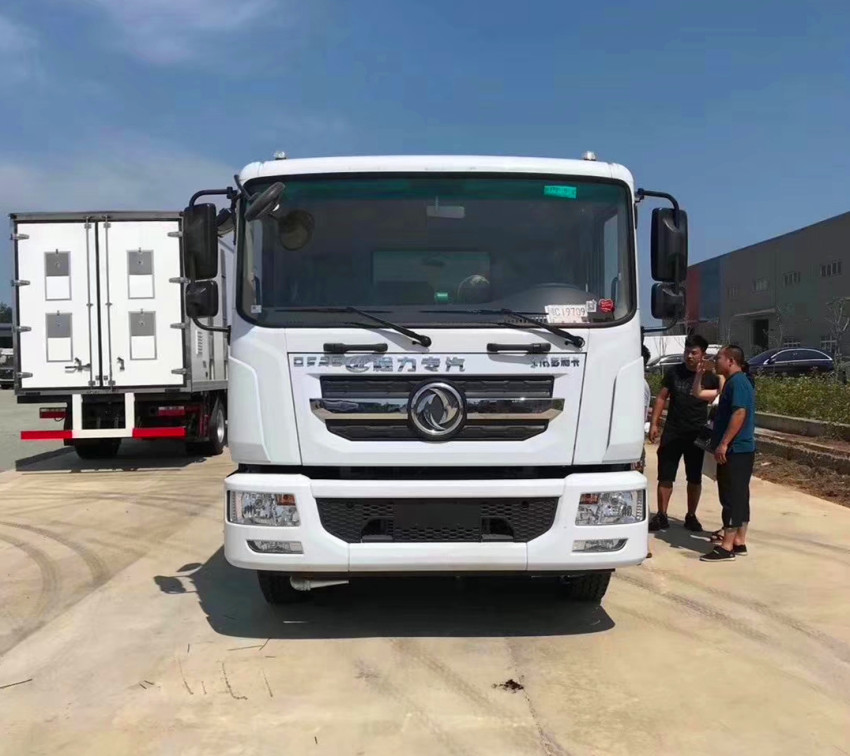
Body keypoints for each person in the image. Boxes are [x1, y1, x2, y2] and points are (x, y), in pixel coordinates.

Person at [648, 335, 721, 532]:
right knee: (665, 475)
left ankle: (691, 515)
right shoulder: (674, 372)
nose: (689, 356)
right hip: (673, 431)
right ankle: (662, 515)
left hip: (697, 433)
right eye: (687, 352)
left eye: (694, 353)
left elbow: (721, 399)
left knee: (694, 477)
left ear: (702, 354)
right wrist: (654, 423)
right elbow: (662, 398)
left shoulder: (710, 377)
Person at [701, 345, 756, 562]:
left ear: (731, 361)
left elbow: (739, 413)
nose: (715, 361)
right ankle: (739, 541)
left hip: (735, 450)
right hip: (739, 450)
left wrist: (724, 444)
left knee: (731, 497)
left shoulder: (738, 383)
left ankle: (726, 547)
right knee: (739, 496)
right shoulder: (735, 382)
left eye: (719, 358)